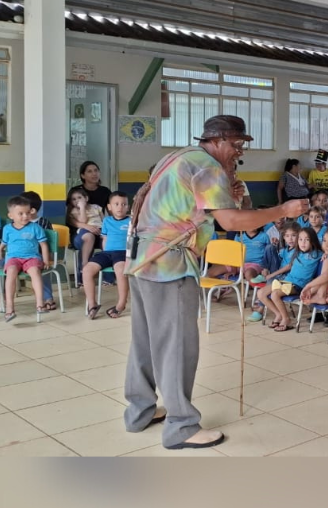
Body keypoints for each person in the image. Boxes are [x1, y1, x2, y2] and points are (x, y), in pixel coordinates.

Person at [124, 115, 306, 450]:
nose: (238, 153)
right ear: (217, 140)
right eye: (236, 145)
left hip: (142, 259)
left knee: (146, 340)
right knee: (177, 346)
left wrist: (229, 193)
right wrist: (283, 210)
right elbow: (233, 221)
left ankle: (139, 411)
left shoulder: (178, 157)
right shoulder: (208, 168)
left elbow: (191, 210)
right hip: (170, 266)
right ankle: (181, 427)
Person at [260, 226, 322, 332]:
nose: (303, 243)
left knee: (275, 294)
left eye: (307, 240)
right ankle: (278, 314)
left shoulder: (317, 253)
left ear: (313, 241)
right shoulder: (297, 253)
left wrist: (327, 255)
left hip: (298, 285)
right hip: (286, 281)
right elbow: (289, 265)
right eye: (300, 239)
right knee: (261, 293)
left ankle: (286, 319)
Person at [83, 191, 132, 320]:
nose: (120, 207)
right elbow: (104, 239)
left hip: (123, 253)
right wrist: (105, 253)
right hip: (107, 253)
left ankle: (121, 304)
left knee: (120, 270)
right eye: (116, 204)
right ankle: (92, 304)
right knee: (87, 270)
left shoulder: (131, 221)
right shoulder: (106, 221)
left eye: (124, 204)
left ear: (128, 207)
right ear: (109, 207)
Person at [1, 196, 50, 322]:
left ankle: (40, 304)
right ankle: (10, 309)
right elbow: (3, 244)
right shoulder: (7, 229)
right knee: (11, 273)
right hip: (13, 258)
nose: (25, 216)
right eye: (21, 213)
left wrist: (46, 260)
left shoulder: (35, 227)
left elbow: (43, 245)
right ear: (11, 215)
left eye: (28, 213)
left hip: (32, 258)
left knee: (35, 272)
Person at [20, 191, 56, 312]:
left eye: (22, 210)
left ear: (32, 211)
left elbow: (46, 245)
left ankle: (48, 299)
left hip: (38, 256)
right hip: (20, 256)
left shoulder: (43, 223)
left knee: (41, 270)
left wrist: (47, 258)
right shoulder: (17, 223)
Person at [66, 187, 104, 282]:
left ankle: (108, 278)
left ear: (86, 198)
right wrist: (82, 207)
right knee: (89, 237)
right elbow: (83, 221)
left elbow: (104, 220)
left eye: (79, 198)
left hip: (99, 230)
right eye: (74, 199)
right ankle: (84, 263)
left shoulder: (96, 207)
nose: (77, 201)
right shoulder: (74, 211)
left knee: (107, 242)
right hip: (85, 232)